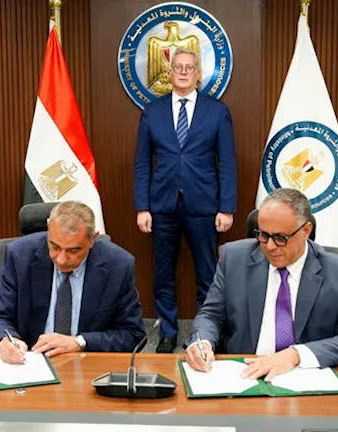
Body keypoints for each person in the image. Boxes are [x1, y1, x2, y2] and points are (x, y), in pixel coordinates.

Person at [185, 188, 338, 379]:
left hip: (305, 376)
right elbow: (211, 315)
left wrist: (295, 355)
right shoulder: (234, 259)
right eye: (263, 235)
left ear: (306, 231)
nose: (270, 246)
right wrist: (202, 342)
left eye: (280, 238)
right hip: (244, 373)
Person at [133, 47, 237, 353]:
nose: (182, 72)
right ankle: (168, 332)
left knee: (208, 276)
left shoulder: (217, 111)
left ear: (197, 74)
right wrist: (142, 207)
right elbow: (142, 164)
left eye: (189, 67)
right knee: (163, 275)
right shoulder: (152, 112)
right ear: (169, 72)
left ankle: (206, 334)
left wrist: (227, 208)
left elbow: (227, 163)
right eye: (177, 66)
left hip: (204, 206)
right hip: (161, 207)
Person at [0, 201, 146, 364]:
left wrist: (80, 342)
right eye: (54, 247)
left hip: (87, 363)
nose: (61, 259)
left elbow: (133, 335)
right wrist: (3, 341)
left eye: (73, 250)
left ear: (92, 239)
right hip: (29, 362)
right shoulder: (19, 256)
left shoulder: (118, 266)